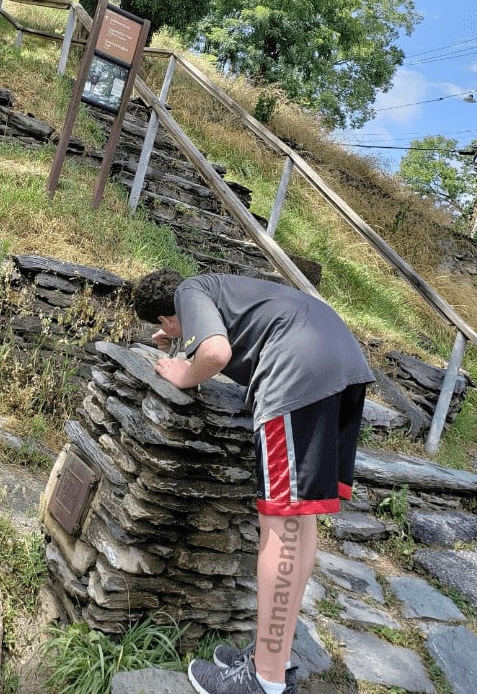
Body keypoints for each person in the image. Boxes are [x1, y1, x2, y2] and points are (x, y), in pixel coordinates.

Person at [131, 269, 374, 694]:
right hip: (341, 363)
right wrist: (178, 340)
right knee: (302, 521)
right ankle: (271, 657)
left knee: (279, 525)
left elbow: (216, 352)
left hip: (296, 374)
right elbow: (228, 332)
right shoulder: (220, 288)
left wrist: (181, 372)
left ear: (167, 318)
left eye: (164, 325)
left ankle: (265, 681)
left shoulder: (189, 291)